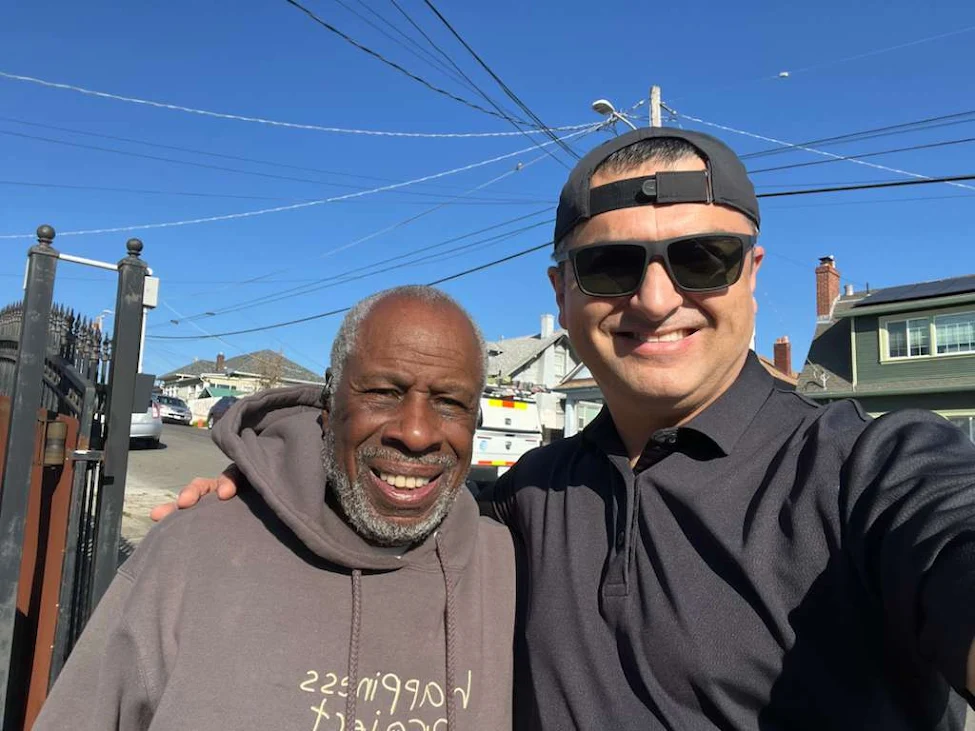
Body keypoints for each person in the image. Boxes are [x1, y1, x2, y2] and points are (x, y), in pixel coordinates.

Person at [157, 128, 975, 730]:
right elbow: (381, 480)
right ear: (561, 292)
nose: (655, 299)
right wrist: (274, 483)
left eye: (701, 260)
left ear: (752, 274)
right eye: (611, 266)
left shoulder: (869, 468)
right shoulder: (524, 500)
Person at [37, 286, 517, 730]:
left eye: (450, 402)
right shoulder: (195, 550)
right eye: (383, 392)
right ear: (328, 402)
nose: (416, 433)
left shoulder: (503, 567)